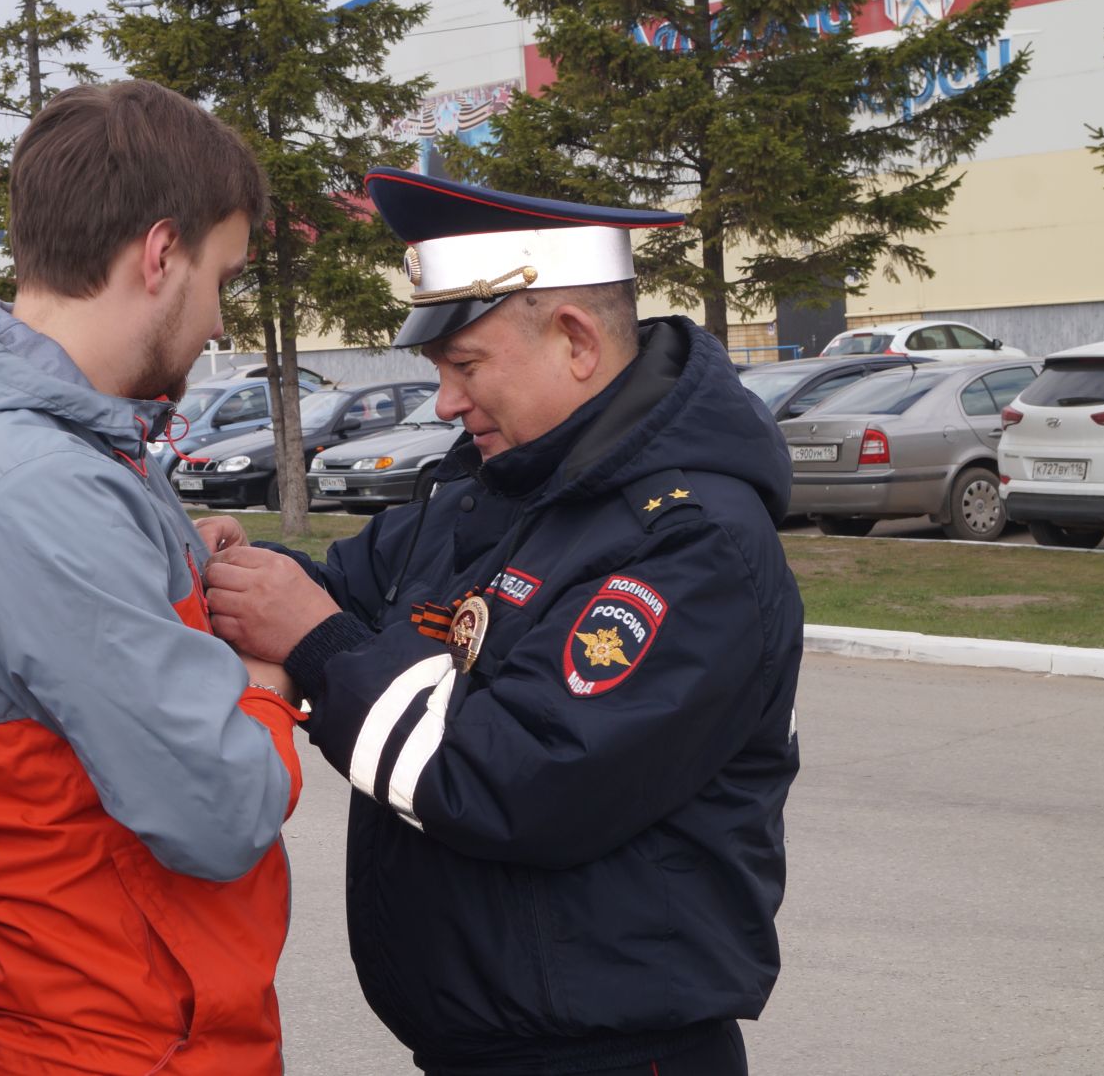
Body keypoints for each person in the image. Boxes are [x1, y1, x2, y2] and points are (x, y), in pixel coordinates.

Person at [201, 168, 804, 1076]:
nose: (444, 401)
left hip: (606, 1055)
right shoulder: (499, 488)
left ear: (575, 341)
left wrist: (316, 647)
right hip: (485, 1044)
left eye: (465, 366)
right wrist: (236, 565)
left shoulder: (691, 541)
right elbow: (344, 588)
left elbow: (514, 779)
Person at [0, 80, 303, 1075]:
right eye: (221, 278)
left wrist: (178, 565)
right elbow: (220, 809)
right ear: (159, 255)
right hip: (120, 1039)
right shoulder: (40, 485)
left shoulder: (61, 451)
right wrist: (267, 687)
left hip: (118, 1018)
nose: (218, 321)